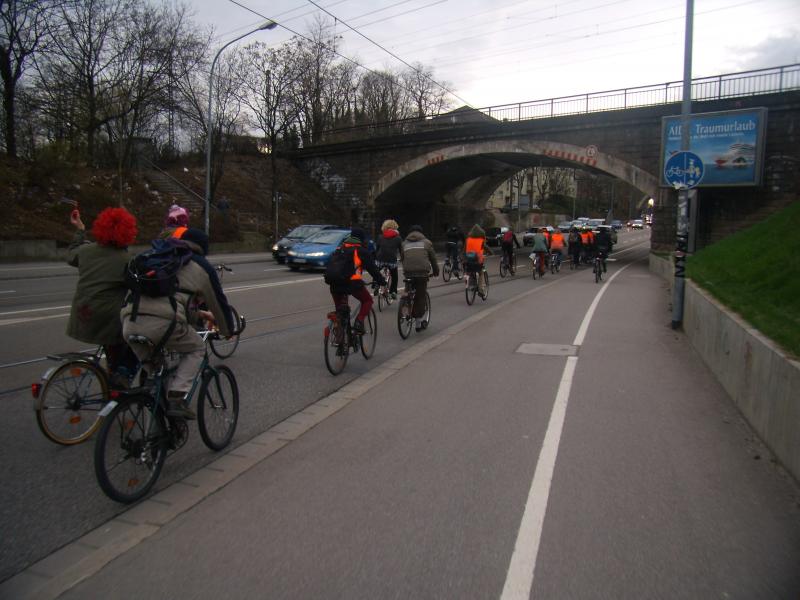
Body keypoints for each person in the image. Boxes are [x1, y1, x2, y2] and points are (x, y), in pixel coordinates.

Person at [121, 228, 234, 420]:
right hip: (165, 326)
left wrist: (200, 313)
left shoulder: (153, 256)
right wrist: (228, 329)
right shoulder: (200, 265)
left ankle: (153, 422)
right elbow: (218, 303)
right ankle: (176, 398)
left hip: (129, 321)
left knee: (156, 372)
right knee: (196, 349)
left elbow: (170, 299)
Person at [66, 207, 140, 388]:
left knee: (113, 350)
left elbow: (71, 254)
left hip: (82, 314)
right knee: (138, 341)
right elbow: (139, 288)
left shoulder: (86, 251)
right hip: (107, 319)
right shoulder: (127, 260)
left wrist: (80, 229)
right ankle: (118, 387)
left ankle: (112, 383)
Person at [328, 227, 386, 336]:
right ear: (362, 239)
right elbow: (373, 270)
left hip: (334, 283)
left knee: (341, 311)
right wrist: (382, 281)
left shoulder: (339, 249)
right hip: (352, 284)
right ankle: (359, 322)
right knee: (367, 300)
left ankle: (340, 339)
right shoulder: (361, 251)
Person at [400, 225, 439, 331]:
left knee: (408, 291)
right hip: (422, 274)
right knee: (420, 296)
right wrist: (436, 272)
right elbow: (433, 259)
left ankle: (403, 312)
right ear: (421, 233)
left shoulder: (404, 243)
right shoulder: (427, 242)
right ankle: (418, 323)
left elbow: (402, 259)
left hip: (408, 273)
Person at [375, 219, 402, 299]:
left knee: (376, 271)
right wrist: (402, 259)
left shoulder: (380, 237)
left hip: (380, 260)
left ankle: (376, 284)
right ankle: (393, 291)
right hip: (391, 261)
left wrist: (376, 257)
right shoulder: (398, 238)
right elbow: (401, 251)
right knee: (394, 276)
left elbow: (377, 249)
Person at [464, 224, 492, 298]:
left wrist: (463, 259)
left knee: (469, 271)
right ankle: (481, 290)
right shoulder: (481, 240)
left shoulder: (468, 240)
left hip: (468, 260)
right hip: (477, 260)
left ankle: (470, 285)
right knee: (481, 273)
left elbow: (464, 250)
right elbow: (486, 248)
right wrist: (491, 253)